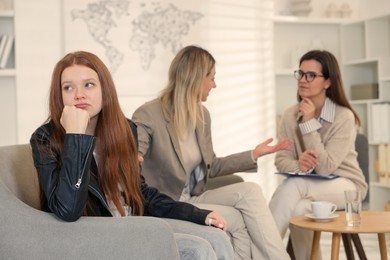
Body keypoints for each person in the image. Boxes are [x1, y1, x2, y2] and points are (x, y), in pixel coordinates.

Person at [30, 51, 235, 260]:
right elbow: (68, 211)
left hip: (134, 223)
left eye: (88, 85)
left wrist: (197, 214)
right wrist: (76, 137)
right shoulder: (45, 139)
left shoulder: (125, 129)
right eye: (68, 87)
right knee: (197, 249)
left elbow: (141, 193)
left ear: (105, 89)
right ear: (59, 95)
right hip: (93, 236)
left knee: (217, 237)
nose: (78, 95)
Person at [132, 45, 292, 260]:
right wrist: (131, 156)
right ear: (196, 78)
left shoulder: (202, 115)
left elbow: (211, 165)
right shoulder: (149, 114)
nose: (214, 85)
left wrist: (254, 154)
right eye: (211, 78)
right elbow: (132, 159)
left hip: (193, 197)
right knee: (236, 220)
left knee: (251, 191)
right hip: (167, 204)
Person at [268, 50, 368, 260]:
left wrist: (308, 123)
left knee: (293, 186)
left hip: (348, 186)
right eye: (301, 74)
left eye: (311, 75)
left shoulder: (343, 116)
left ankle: (263, 253)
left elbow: (325, 167)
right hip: (309, 188)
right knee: (300, 209)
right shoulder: (289, 115)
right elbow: (281, 160)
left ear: (328, 82)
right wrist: (299, 164)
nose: (303, 80)